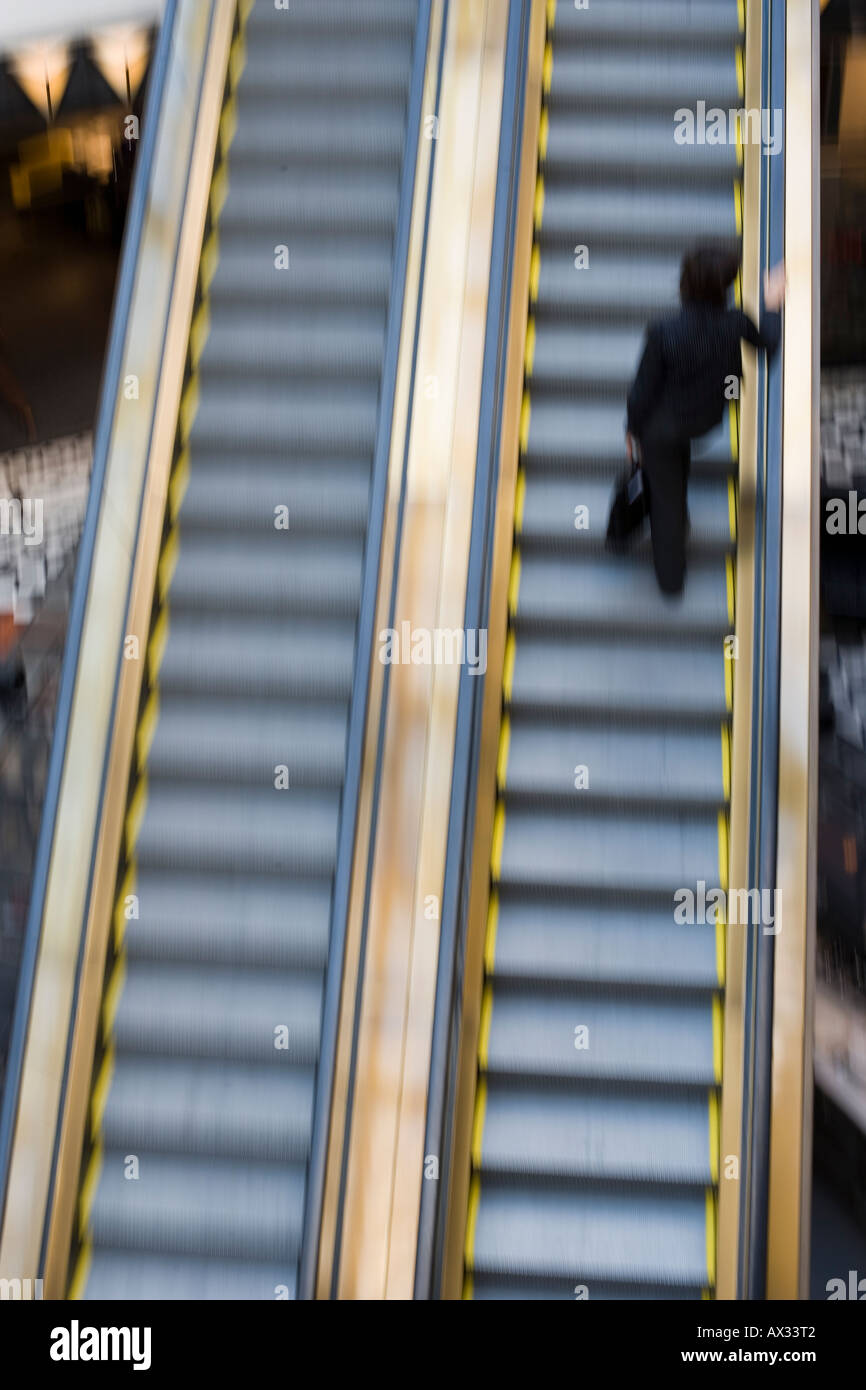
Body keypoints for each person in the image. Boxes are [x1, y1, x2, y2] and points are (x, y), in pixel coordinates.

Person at [623, 245, 785, 595]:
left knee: (664, 497)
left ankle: (670, 579)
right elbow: (769, 345)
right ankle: (678, 506)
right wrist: (772, 303)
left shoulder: (664, 331)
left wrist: (632, 430)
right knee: (673, 463)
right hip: (706, 418)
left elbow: (642, 393)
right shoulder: (736, 321)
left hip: (662, 429)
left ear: (685, 284)